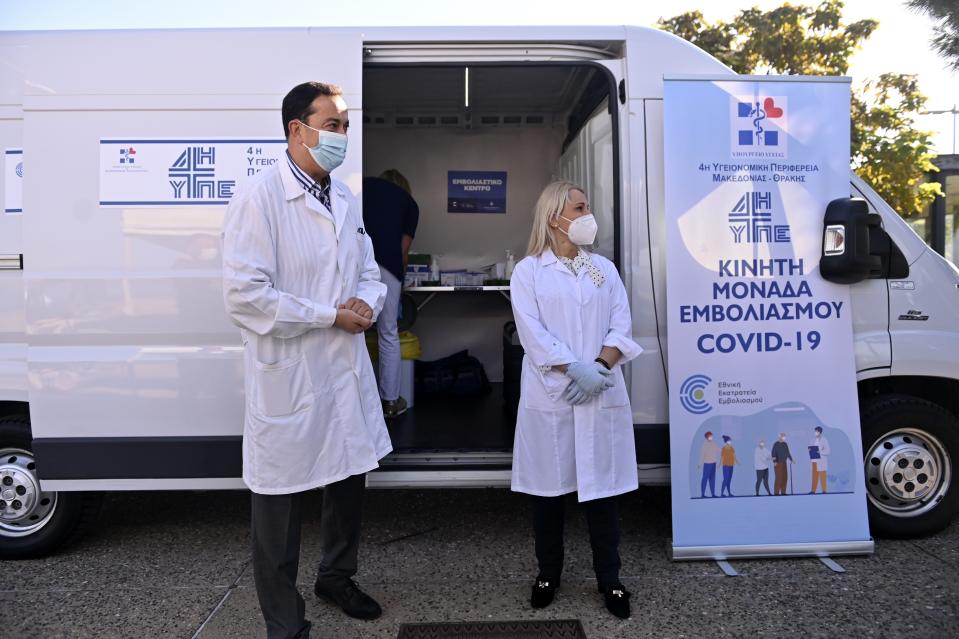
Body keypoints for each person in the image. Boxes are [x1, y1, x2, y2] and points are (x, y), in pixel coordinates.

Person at [222, 81, 392, 639]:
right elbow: (246, 296)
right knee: (280, 504)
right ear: (298, 130)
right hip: (291, 373)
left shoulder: (342, 198)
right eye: (334, 124)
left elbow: (368, 269)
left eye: (345, 125)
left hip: (341, 365)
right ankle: (285, 622)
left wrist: (369, 300)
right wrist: (328, 316)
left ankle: (336, 577)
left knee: (348, 477)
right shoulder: (259, 198)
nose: (343, 135)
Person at [509, 180, 642, 620]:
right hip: (554, 395)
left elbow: (622, 323)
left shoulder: (600, 267)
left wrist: (600, 368)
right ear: (555, 218)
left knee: (602, 493)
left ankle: (611, 578)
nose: (588, 215)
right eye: (580, 207)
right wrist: (575, 369)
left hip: (599, 389)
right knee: (549, 494)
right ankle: (548, 574)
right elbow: (532, 334)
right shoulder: (528, 271)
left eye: (587, 207)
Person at [362, 169, 419, 418]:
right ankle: (390, 402)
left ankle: (358, 401)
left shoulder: (360, 189)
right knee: (387, 334)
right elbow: (402, 250)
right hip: (387, 265)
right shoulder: (408, 203)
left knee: (351, 331)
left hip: (356, 262)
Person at [809, 426, 831, 494]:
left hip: (821, 461)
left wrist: (820, 452)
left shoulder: (824, 440)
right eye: (815, 431)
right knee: (814, 476)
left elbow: (828, 451)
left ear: (820, 432)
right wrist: (811, 451)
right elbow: (813, 448)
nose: (815, 433)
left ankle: (824, 491)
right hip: (814, 461)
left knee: (822, 476)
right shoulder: (814, 440)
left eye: (816, 431)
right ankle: (813, 491)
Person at [698, 431, 719, 498]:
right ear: (707, 437)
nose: (711, 437)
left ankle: (713, 494)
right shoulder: (704, 445)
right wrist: (700, 463)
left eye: (711, 436)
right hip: (707, 464)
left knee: (712, 479)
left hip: (713, 464)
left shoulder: (714, 444)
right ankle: (702, 494)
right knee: (705, 478)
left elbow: (719, 450)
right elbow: (702, 455)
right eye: (710, 436)